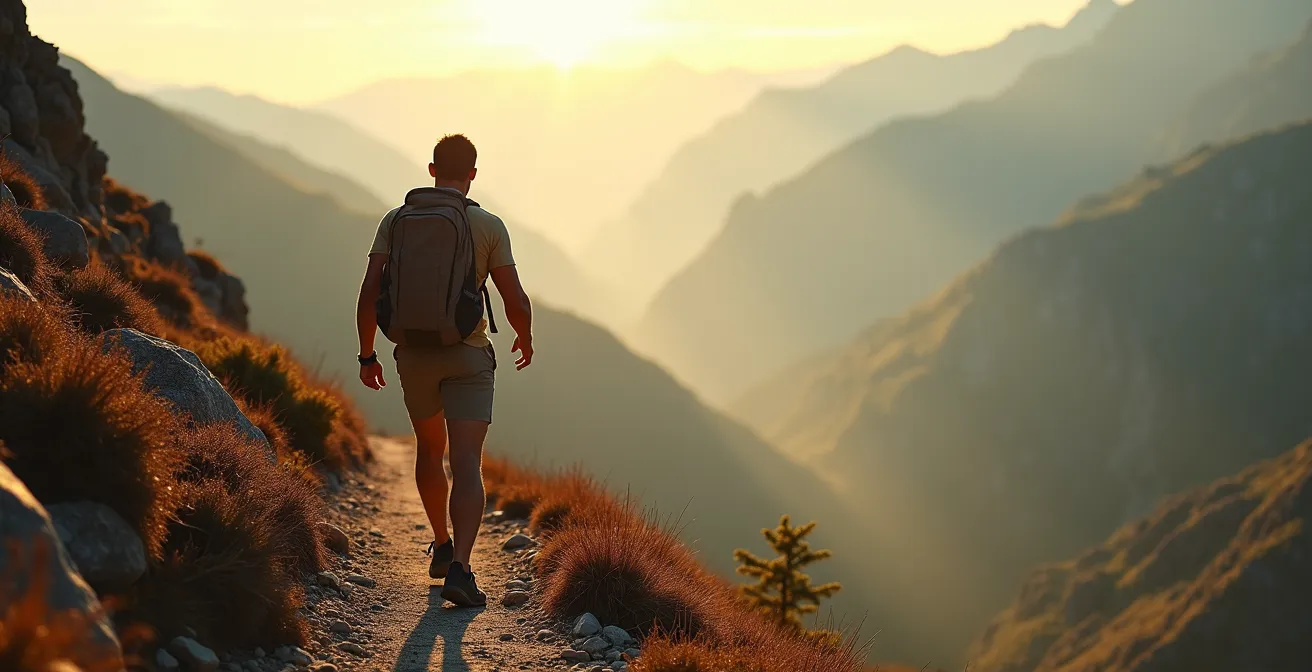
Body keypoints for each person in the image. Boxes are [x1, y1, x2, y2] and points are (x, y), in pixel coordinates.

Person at [355, 134, 534, 606]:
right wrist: (525, 335)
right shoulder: (488, 225)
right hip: (468, 354)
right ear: (472, 175)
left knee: (430, 449)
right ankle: (461, 569)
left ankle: (440, 542)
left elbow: (370, 292)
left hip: (412, 355)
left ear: (432, 170)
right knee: (467, 463)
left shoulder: (395, 221)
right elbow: (514, 298)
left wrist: (367, 354)